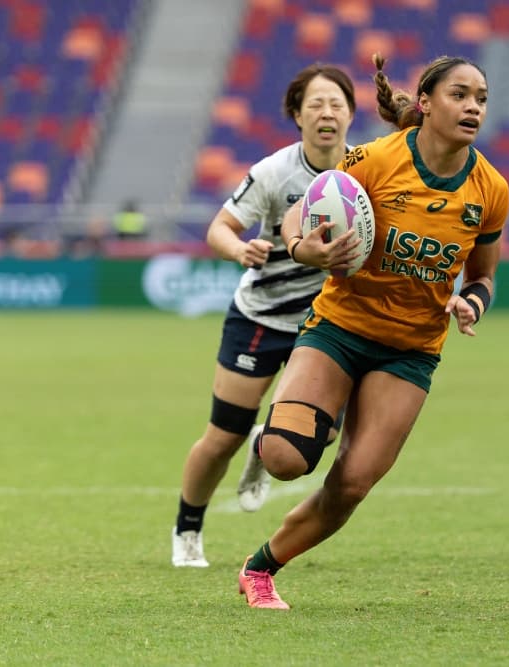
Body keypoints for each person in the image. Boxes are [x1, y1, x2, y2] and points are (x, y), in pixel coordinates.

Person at [236, 53, 509, 610]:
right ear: (426, 103)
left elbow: (484, 276)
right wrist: (300, 246)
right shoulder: (376, 159)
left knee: (353, 484)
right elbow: (301, 211)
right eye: (460, 95)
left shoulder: (491, 189)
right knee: (287, 460)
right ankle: (294, 424)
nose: (474, 106)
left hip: (410, 350)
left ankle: (260, 568)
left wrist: (472, 306)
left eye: (481, 97)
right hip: (340, 329)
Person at [171, 64, 357, 567]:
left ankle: (264, 443)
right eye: (315, 103)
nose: (326, 112)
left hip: (325, 323)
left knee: (323, 432)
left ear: (350, 115)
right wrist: (239, 250)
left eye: (336, 103)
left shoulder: (365, 172)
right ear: (297, 115)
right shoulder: (275, 171)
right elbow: (220, 227)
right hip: (259, 317)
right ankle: (187, 529)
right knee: (222, 436)